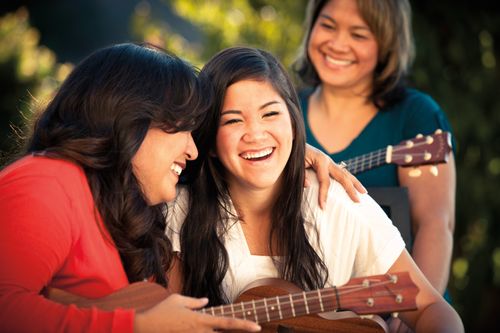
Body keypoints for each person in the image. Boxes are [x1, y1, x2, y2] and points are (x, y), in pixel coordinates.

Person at [165, 46, 464, 332]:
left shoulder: (339, 203)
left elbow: (429, 308)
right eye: (232, 120)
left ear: (294, 123)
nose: (255, 134)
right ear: (210, 140)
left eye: (270, 114)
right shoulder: (181, 210)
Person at [0, 42, 264, 333]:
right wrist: (136, 326)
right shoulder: (47, 181)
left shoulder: (121, 206)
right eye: (183, 127)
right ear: (129, 119)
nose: (193, 150)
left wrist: (294, 154)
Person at [293, 0, 456, 322]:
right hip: (307, 310)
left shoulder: (416, 115)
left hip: (393, 309)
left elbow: (435, 224)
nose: (337, 44)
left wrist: (411, 316)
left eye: (359, 34)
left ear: (387, 43)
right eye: (327, 25)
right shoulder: (283, 108)